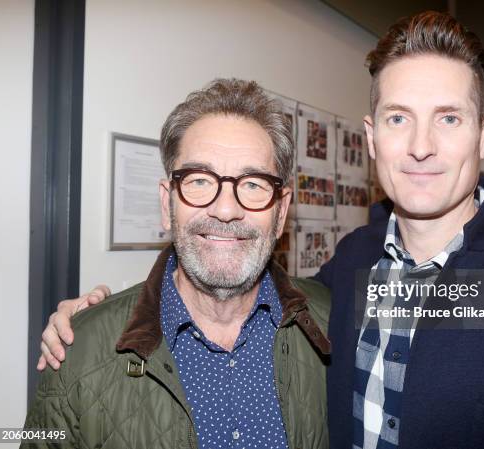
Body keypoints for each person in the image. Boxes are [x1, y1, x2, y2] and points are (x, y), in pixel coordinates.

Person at [38, 11, 484, 449]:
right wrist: (92, 323)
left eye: (449, 118)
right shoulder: (347, 274)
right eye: (398, 118)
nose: (422, 146)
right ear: (372, 135)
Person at [25, 79, 330, 449]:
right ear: (167, 204)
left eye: (253, 184)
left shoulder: (333, 324)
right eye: (199, 180)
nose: (225, 209)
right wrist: (91, 326)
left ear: (281, 212)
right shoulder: (77, 351)